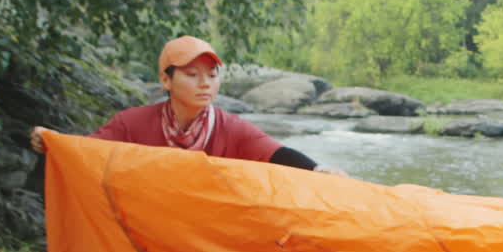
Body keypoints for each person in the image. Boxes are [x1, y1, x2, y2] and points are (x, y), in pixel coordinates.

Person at [30, 35, 331, 173]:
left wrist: (319, 171)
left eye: (212, 75)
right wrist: (52, 142)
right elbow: (87, 152)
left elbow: (275, 154)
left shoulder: (230, 128)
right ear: (165, 80)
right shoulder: (132, 123)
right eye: (192, 74)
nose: (205, 83)